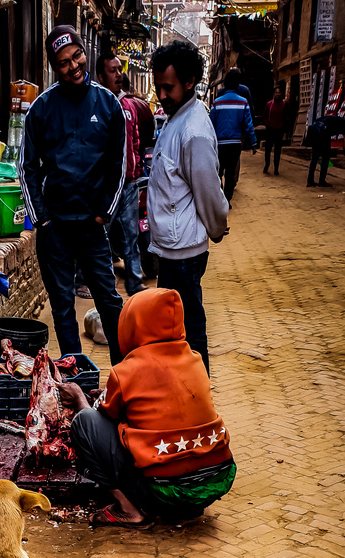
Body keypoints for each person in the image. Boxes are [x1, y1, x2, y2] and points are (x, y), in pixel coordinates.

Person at [60, 288, 236, 529]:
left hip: (165, 490)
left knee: (84, 422)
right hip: (216, 481)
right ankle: (190, 506)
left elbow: (99, 418)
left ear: (133, 325)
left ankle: (129, 510)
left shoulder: (126, 371)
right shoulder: (195, 360)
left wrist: (80, 397)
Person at [19, 25, 126, 362]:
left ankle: (125, 375)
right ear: (55, 66)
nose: (74, 65)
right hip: (56, 230)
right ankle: (75, 376)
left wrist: (104, 213)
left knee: (109, 301)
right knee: (63, 307)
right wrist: (42, 219)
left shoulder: (108, 105)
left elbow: (119, 164)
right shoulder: (41, 109)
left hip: (93, 227)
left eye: (77, 55)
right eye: (64, 62)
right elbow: (27, 167)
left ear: (84, 52)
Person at [147, 40, 229, 376]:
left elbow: (210, 194)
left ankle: (199, 404)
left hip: (184, 253)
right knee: (171, 332)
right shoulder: (175, 118)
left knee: (190, 333)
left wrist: (216, 228)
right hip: (170, 249)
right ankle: (179, 399)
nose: (162, 96)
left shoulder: (194, 130)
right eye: (158, 88)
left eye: (168, 88)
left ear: (190, 82)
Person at [96, 52, 147, 295]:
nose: (119, 74)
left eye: (119, 70)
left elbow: (135, 140)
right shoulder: (96, 105)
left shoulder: (128, 105)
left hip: (128, 184)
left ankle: (135, 284)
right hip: (105, 186)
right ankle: (102, 285)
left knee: (132, 237)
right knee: (99, 237)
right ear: (100, 76)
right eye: (113, 70)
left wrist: (135, 171)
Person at [209, 69, 257, 205]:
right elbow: (249, 125)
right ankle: (227, 199)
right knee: (230, 174)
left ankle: (220, 198)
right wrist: (253, 143)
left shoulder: (217, 103)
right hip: (235, 144)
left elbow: (210, 124)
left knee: (218, 173)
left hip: (220, 144)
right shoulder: (243, 102)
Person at [305, 111, 345, 187]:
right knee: (325, 158)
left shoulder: (337, 120)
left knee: (315, 157)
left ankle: (310, 181)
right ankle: (321, 181)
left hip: (316, 128)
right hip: (322, 131)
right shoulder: (342, 124)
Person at [263, 84, 287, 176]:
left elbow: (287, 116)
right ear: (273, 94)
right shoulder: (269, 104)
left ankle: (276, 168)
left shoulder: (284, 104)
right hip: (270, 129)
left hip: (279, 130)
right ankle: (267, 165)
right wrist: (268, 124)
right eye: (276, 93)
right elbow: (264, 117)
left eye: (279, 93)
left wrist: (283, 126)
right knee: (268, 149)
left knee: (277, 150)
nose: (278, 94)